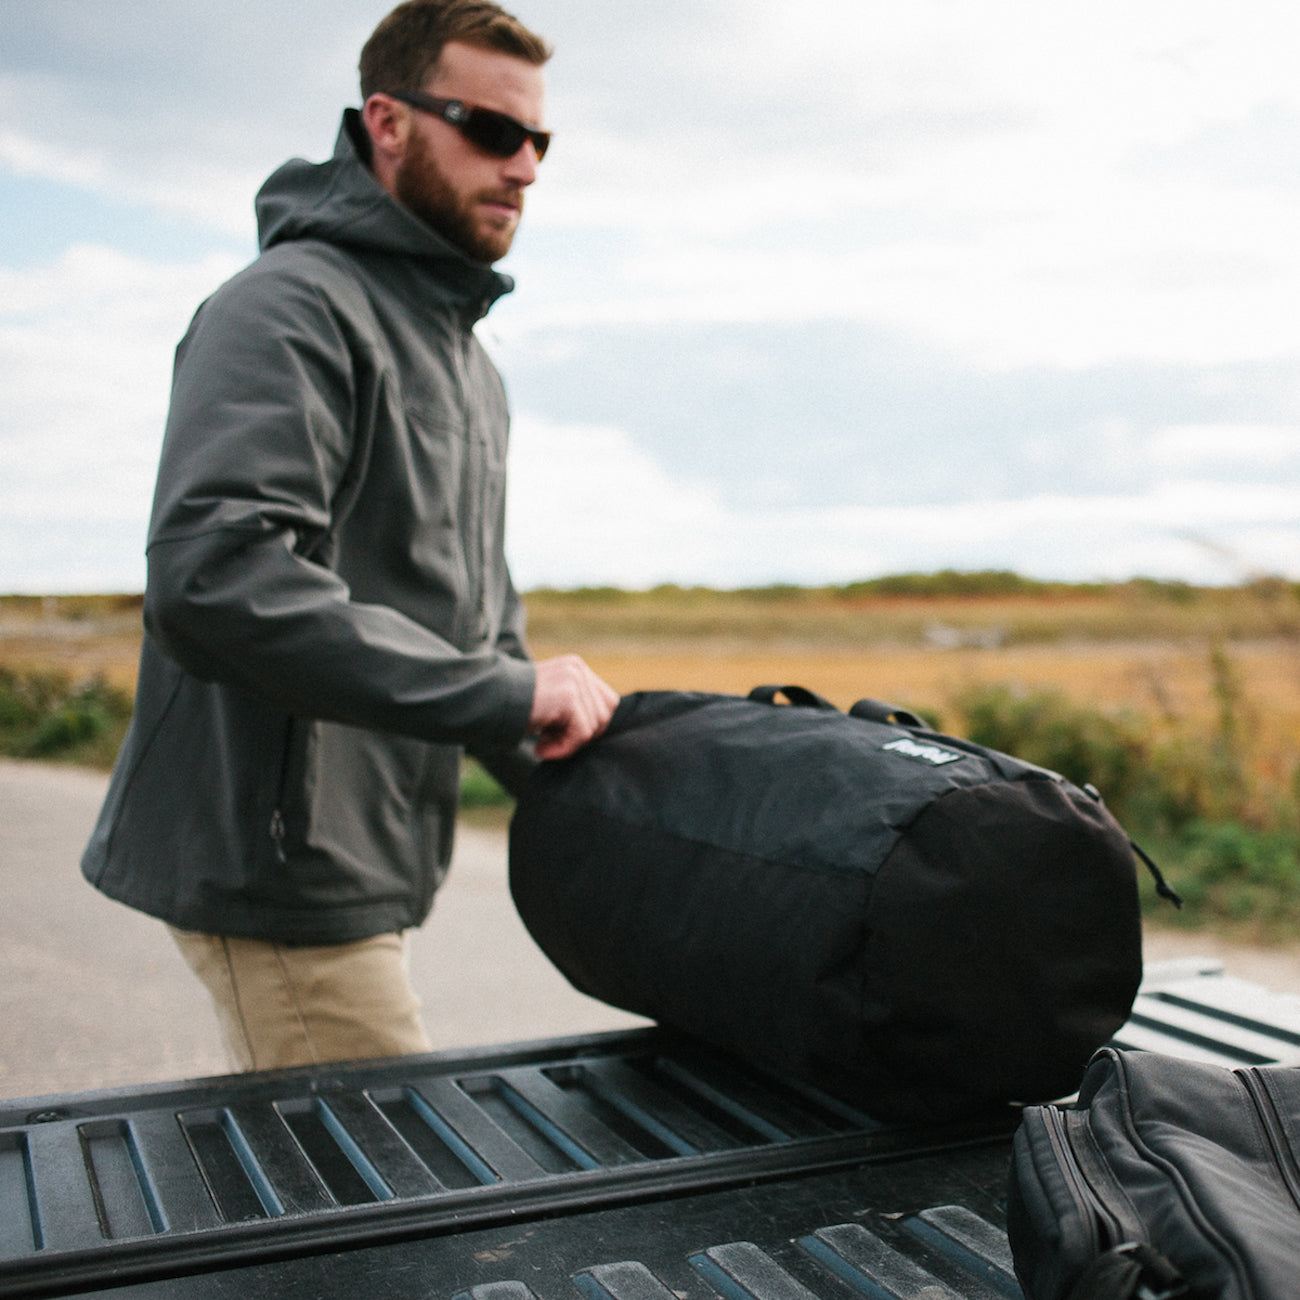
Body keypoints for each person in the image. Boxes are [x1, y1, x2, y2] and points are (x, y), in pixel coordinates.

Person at [81, 0, 618, 1073]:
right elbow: (215, 579)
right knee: (385, 1202)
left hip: (365, 851)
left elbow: (474, 622)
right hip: (279, 868)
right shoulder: (285, 311)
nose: (524, 166)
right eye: (491, 129)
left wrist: (628, 783)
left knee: (306, 1186)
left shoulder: (469, 366)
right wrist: (509, 693)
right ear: (388, 120)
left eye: (539, 141)